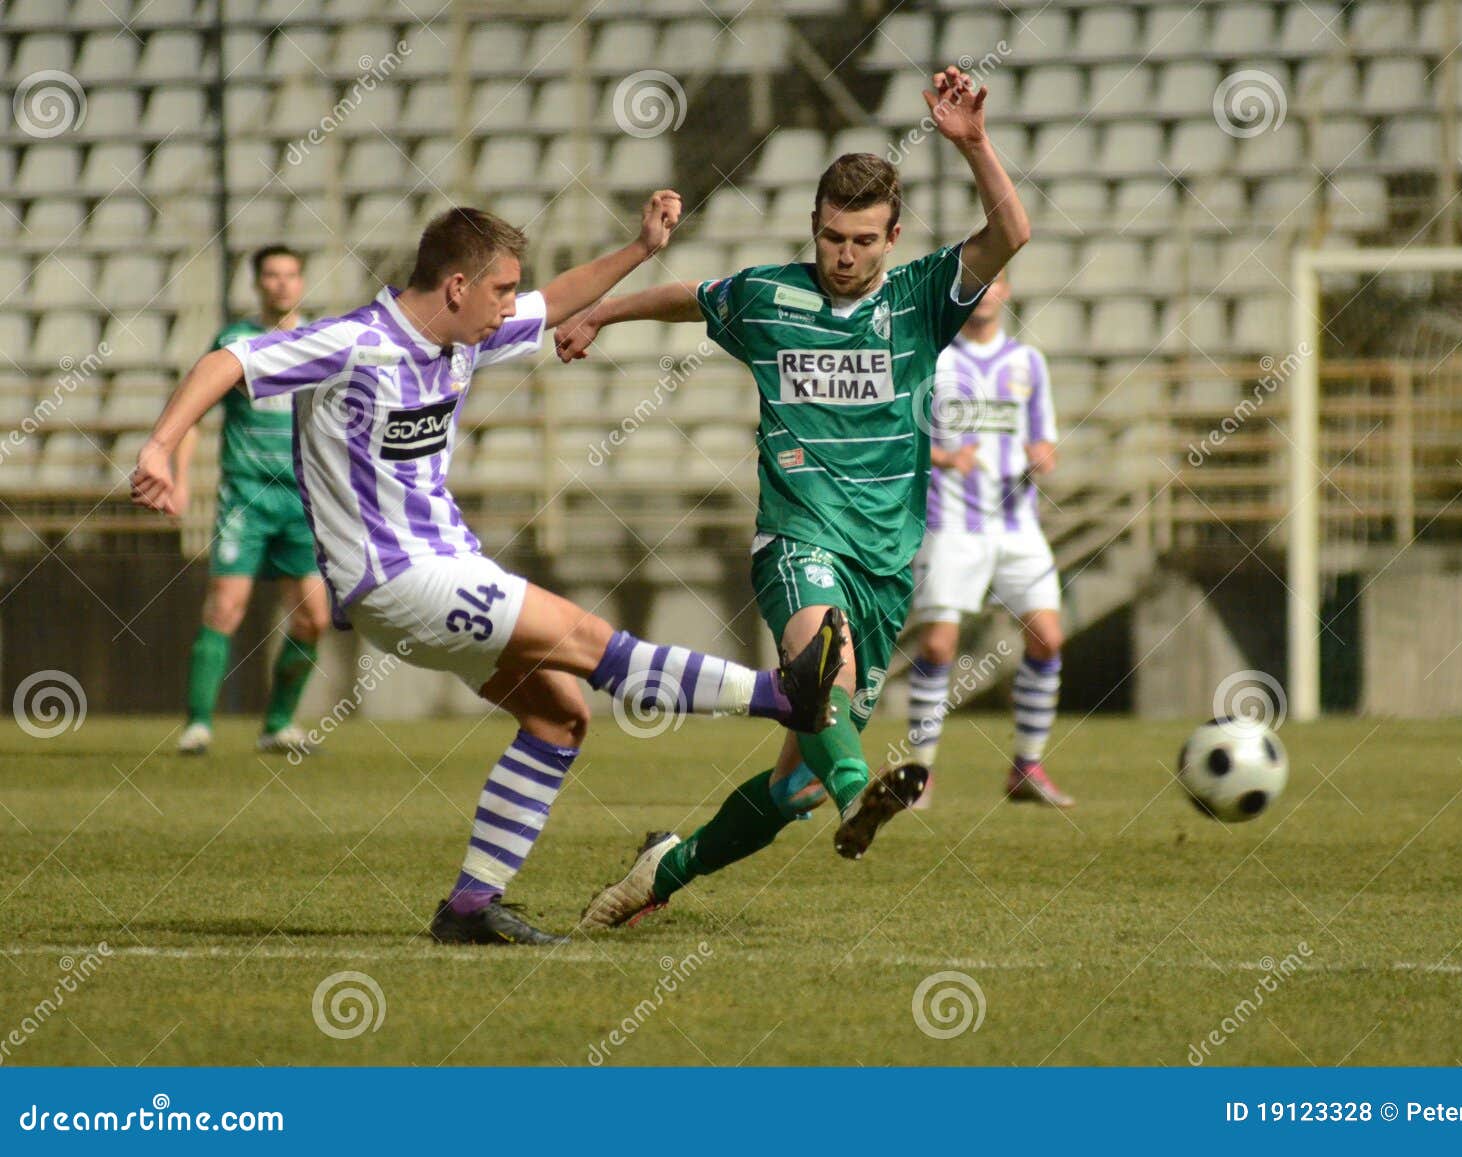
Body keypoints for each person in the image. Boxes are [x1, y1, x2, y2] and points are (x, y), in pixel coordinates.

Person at [132, 196, 844, 946]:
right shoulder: (355, 341)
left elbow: (559, 298)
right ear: (456, 287)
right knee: (586, 636)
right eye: (501, 290)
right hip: (397, 577)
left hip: (443, 566)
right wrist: (159, 446)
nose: (512, 307)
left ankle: (471, 906)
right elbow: (228, 360)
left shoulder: (468, 338)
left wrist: (639, 247)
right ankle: (779, 694)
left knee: (559, 716)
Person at [555, 66, 1031, 929]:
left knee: (793, 782)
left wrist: (972, 145)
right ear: (813, 226)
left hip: (886, 560)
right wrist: (601, 315)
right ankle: (860, 793)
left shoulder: (923, 301)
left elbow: (1011, 230)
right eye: (832, 238)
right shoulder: (770, 296)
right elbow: (688, 298)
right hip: (797, 537)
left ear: (894, 237)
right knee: (818, 677)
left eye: (863, 241)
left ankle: (664, 870)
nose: (844, 257)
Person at [905, 268, 1073, 809]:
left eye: (992, 281)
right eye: (972, 283)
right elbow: (901, 440)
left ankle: (1026, 766)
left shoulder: (1028, 363)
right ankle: (920, 773)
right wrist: (946, 458)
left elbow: (1044, 438)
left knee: (1048, 636)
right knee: (937, 646)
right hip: (951, 524)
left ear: (1006, 290)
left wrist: (1044, 455)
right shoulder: (934, 359)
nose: (982, 292)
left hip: (1017, 525)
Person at [174, 246, 330, 756]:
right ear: (258, 283)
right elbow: (192, 413)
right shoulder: (235, 341)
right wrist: (179, 481)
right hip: (246, 497)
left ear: (302, 281)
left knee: (313, 618)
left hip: (304, 502)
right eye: (271, 275)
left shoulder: (321, 342)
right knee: (226, 606)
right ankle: (198, 726)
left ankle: (278, 725)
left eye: (290, 274)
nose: (281, 284)